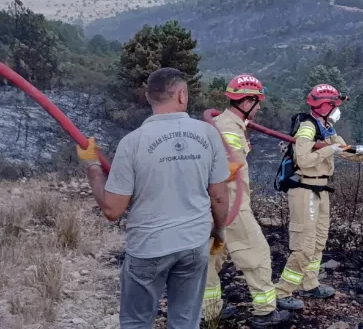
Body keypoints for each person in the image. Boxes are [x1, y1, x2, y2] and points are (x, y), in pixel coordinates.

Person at [77, 67, 232, 329]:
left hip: (149, 247)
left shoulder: (132, 142)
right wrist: (219, 231)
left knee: (137, 323)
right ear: (182, 94)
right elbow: (218, 197)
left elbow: (112, 210)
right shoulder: (208, 135)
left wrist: (92, 166)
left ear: (149, 97)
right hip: (193, 246)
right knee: (185, 322)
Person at [274, 84, 363, 306]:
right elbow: (304, 161)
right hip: (304, 190)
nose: (337, 110)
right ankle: (282, 292)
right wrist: (329, 150)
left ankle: (309, 285)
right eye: (334, 106)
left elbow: (348, 152)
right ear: (324, 106)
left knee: (319, 240)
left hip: (320, 190)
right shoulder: (307, 128)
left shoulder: (327, 127)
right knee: (305, 244)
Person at [203, 74, 295, 326]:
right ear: (245, 103)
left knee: (211, 258)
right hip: (232, 207)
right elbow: (225, 169)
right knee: (257, 253)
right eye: (258, 102)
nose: (260, 107)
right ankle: (265, 312)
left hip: (216, 207)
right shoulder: (229, 130)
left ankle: (209, 312)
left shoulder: (224, 124)